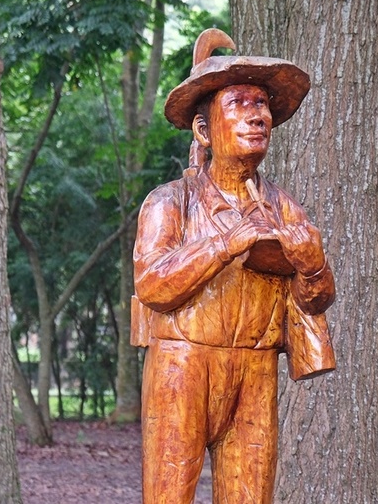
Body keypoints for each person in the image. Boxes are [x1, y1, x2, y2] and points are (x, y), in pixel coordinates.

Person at [131, 28, 336, 503]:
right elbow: (153, 285)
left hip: (256, 369)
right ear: (204, 130)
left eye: (261, 104)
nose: (257, 116)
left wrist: (313, 268)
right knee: (168, 493)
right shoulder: (170, 202)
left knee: (251, 494)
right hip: (182, 364)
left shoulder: (284, 208)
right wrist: (225, 242)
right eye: (239, 103)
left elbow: (316, 300)